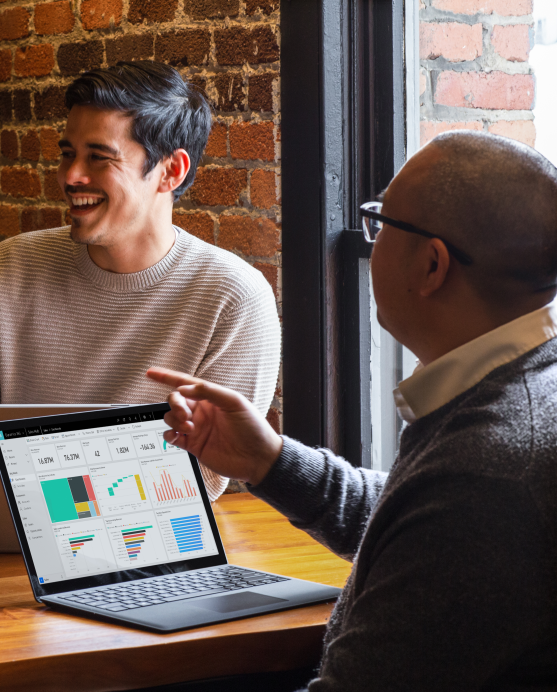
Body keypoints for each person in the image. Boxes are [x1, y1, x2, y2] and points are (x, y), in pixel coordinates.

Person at [149, 130, 557, 690]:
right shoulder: (520, 388)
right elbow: (415, 528)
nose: (373, 240)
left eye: (382, 222)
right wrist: (269, 460)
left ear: (432, 265)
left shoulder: (488, 471)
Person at [0, 60, 281, 546]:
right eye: (67, 153)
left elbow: (200, 478)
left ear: (170, 171)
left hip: (142, 548)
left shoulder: (234, 297)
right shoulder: (11, 265)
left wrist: (29, 506)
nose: (71, 176)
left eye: (99, 157)